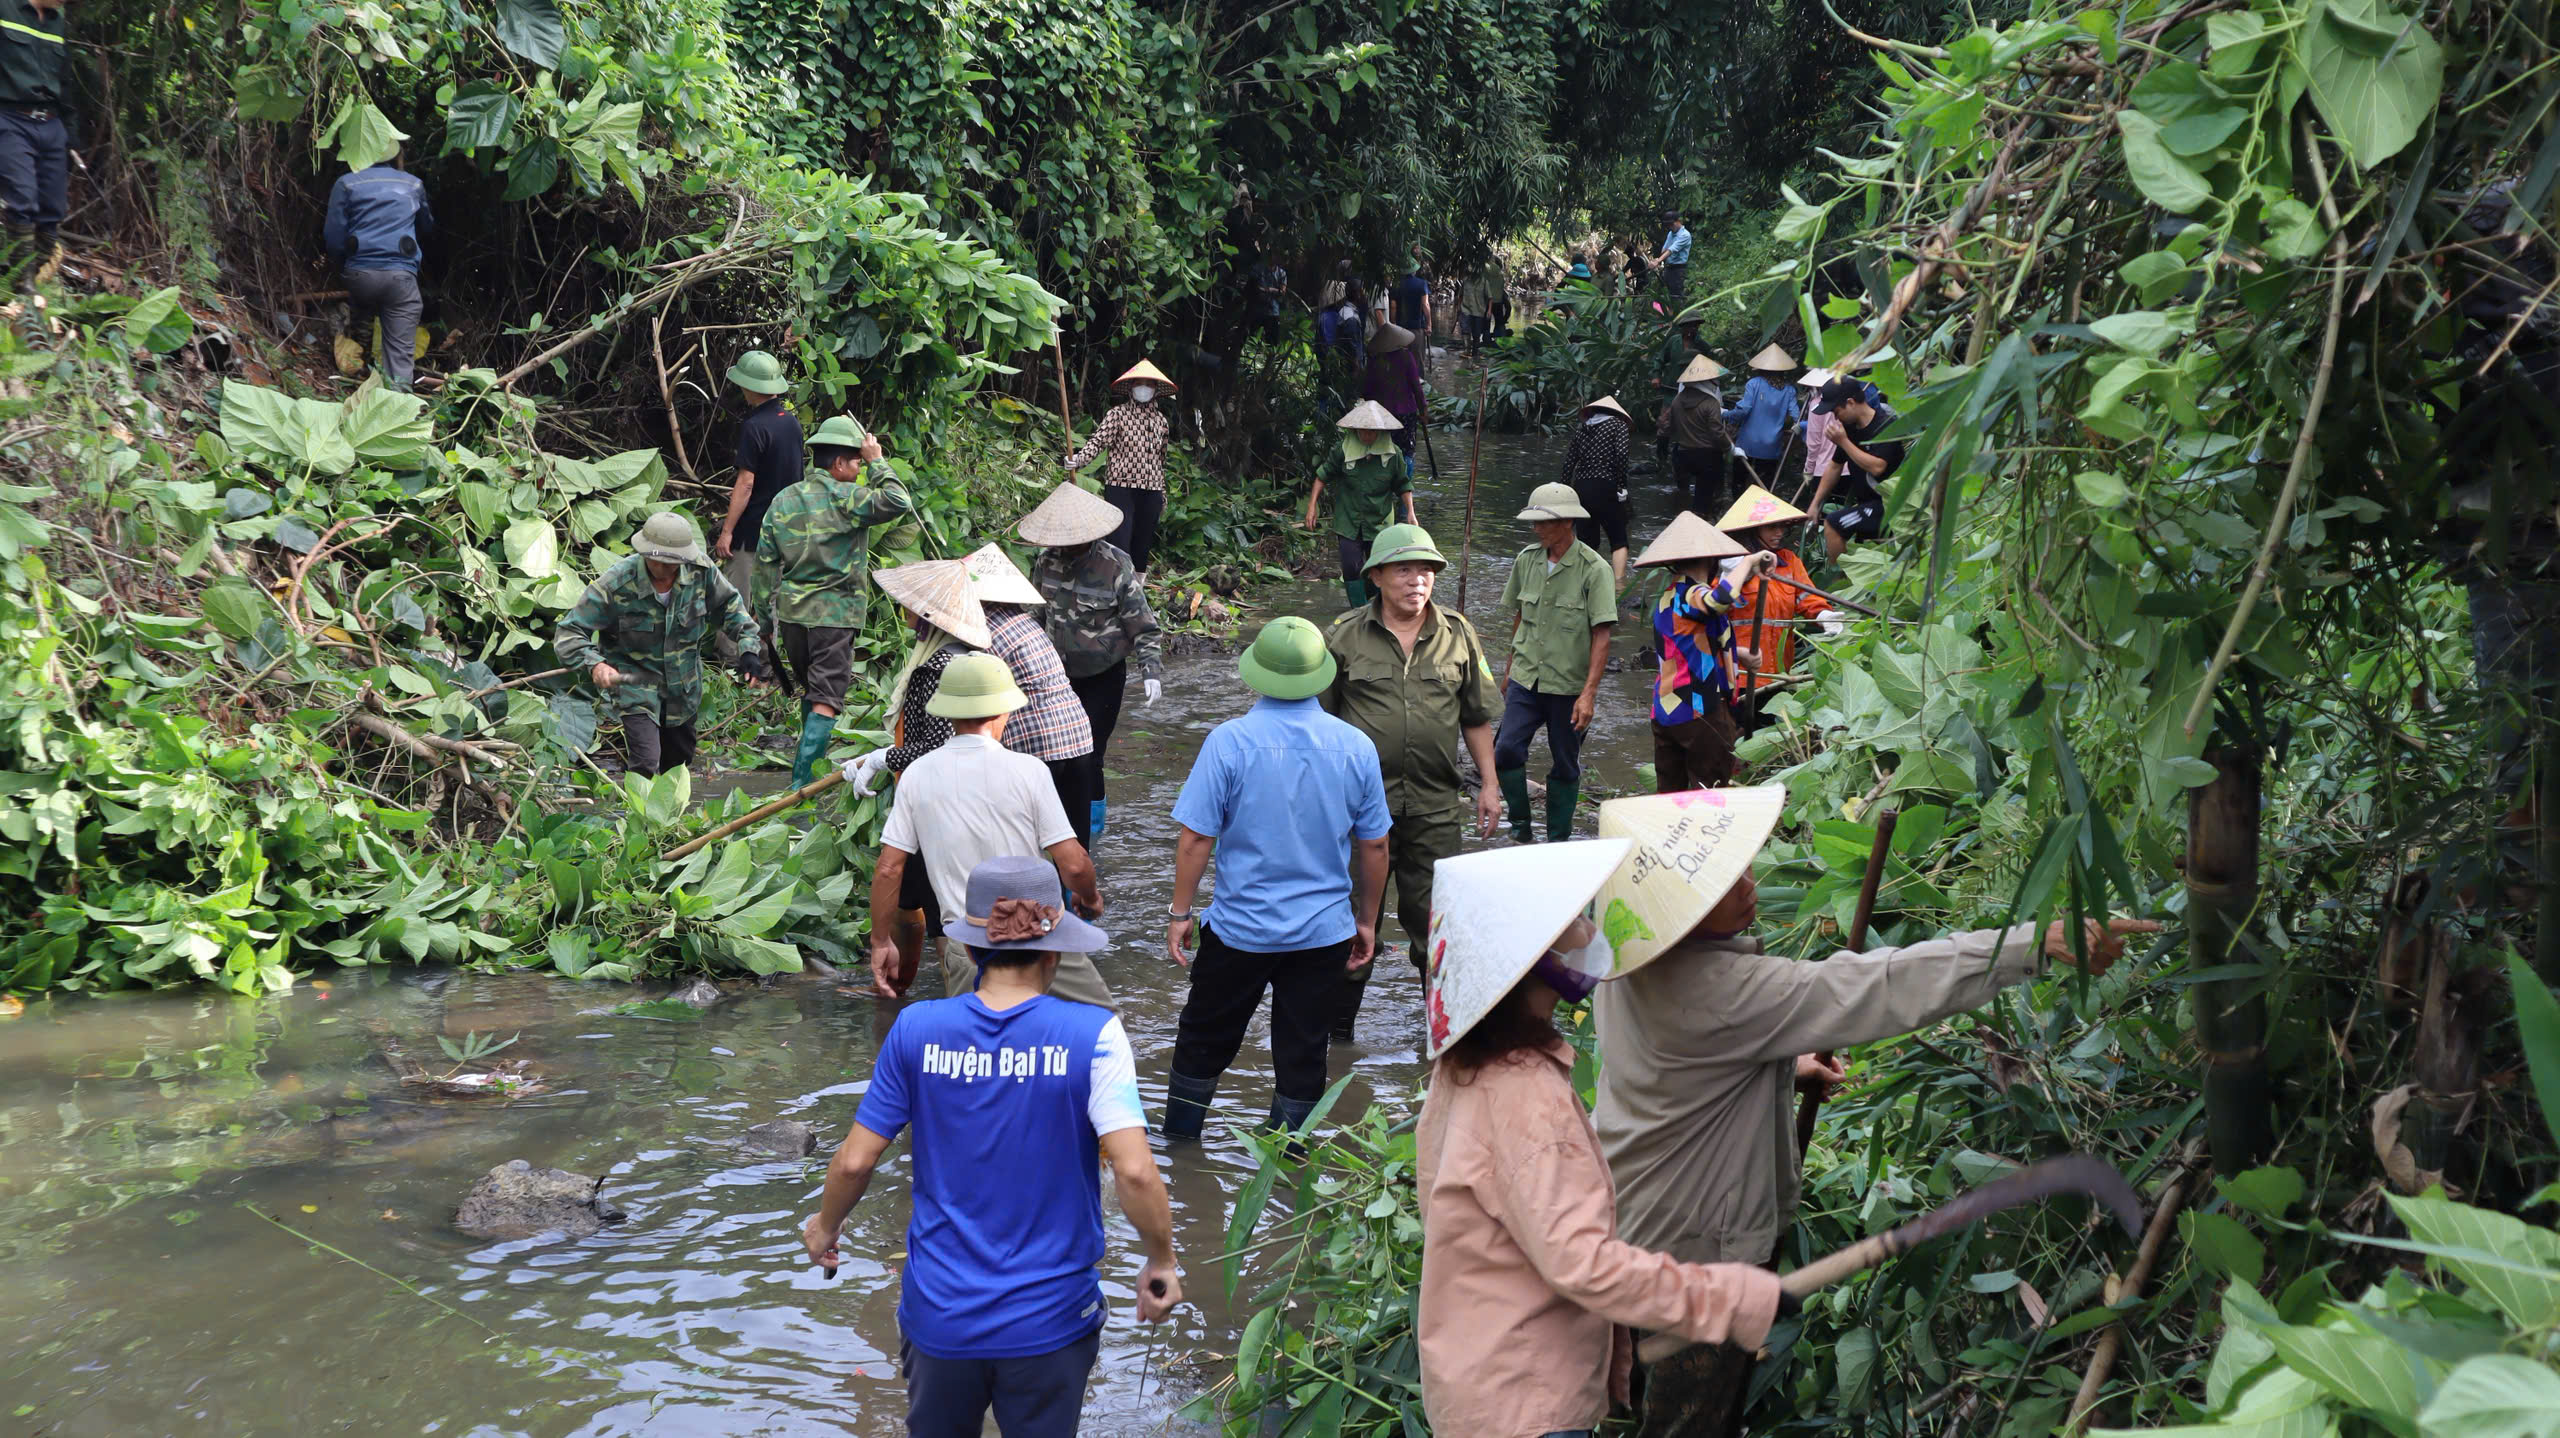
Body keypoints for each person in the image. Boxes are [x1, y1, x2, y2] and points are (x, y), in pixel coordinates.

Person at [1588, 787, 2160, 1438]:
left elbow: (1673, 1064)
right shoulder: (1724, 992)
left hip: (1627, 1214)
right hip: (1696, 1254)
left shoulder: (1624, 952)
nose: (1749, 885)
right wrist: (2035, 943)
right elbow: (1881, 984)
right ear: (1681, 912)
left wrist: (1778, 1067)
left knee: (1628, 1384)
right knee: (1690, 1416)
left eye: (1743, 868)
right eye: (1724, 884)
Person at [1415, 841, 1786, 1438]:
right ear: (1534, 956)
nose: (1592, 929)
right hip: (1529, 1403)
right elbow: (1586, 1265)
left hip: (1474, 1383)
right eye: (1574, 920)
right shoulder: (1528, 1095)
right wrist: (1722, 1294)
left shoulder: (1462, 1069)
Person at [805, 855, 1179, 1438]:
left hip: (941, 1319)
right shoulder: (1096, 1036)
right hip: (1052, 1321)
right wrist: (1160, 1261)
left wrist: (824, 1228)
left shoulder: (915, 1029)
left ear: (969, 949)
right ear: (1055, 952)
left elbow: (855, 1161)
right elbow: (1133, 1173)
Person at [1161, 617, 1391, 1139]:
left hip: (1240, 929)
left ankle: (1180, 1150)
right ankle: (1286, 1163)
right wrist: (1366, 921)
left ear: (1256, 675)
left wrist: (1180, 913)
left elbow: (1196, 839)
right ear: (1322, 675)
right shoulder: (1356, 746)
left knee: (1202, 1039)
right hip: (1322, 933)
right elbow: (1375, 845)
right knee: (1305, 1050)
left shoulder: (1228, 742)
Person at [1320, 523, 1500, 1037]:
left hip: (1435, 807)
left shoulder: (1458, 633)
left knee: (1437, 927)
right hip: (1357, 812)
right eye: (1404, 570)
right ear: (1376, 576)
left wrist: (1489, 785)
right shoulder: (1343, 635)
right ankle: (1337, 1040)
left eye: (1426, 570)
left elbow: (1476, 717)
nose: (1417, 580)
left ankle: (1441, 1038)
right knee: (1351, 924)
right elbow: (1320, 724)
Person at [867, 653, 1110, 1009]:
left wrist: (880, 941)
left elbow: (889, 868)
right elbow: (1073, 864)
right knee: (1099, 1024)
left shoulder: (916, 774)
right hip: (1039, 936)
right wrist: (1089, 897)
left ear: (947, 713)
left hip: (970, 944)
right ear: (1004, 711)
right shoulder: (1029, 770)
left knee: (977, 1039)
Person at [843, 558, 995, 989]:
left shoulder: (936, 667)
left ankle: (931, 990)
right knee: (914, 894)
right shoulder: (969, 657)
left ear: (928, 614)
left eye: (910, 605)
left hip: (938, 802)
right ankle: (896, 984)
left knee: (936, 904)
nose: (904, 610)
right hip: (968, 795)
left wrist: (882, 760)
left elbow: (936, 746)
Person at [756, 414, 914, 785]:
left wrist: (765, 621)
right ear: (839, 463)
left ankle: (805, 770)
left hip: (793, 617)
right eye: (857, 464)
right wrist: (878, 461)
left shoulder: (783, 500)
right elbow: (898, 500)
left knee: (813, 693)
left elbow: (765, 566)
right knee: (826, 698)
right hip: (835, 617)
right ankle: (801, 786)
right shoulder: (848, 497)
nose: (859, 471)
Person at [553, 512, 767, 778]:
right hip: (635, 684)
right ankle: (639, 803)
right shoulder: (616, 584)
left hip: (683, 687)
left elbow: (731, 607)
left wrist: (748, 649)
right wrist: (595, 664)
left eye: (673, 563)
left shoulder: (700, 571)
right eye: (659, 561)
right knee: (646, 762)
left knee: (678, 767)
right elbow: (569, 632)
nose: (666, 569)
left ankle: (666, 807)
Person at [1021, 481, 1163, 844]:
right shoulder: (1046, 562)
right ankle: (1057, 825)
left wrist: (1151, 671)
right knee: (1053, 749)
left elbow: (1143, 625)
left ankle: (1090, 831)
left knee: (1089, 753)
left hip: (1103, 674)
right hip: (1057, 674)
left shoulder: (1115, 565)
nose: (1065, 546)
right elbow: (1035, 616)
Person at [1495, 484, 1615, 844]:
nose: (1536, 529)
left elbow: (1602, 635)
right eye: (1533, 522)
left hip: (1568, 686)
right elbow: (1520, 617)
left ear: (1567, 522)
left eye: (1543, 522)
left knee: (1565, 761)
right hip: (1526, 678)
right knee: (1505, 750)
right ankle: (1520, 829)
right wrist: (1509, 669)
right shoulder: (1526, 560)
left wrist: (1588, 694)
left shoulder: (1595, 570)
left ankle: (1557, 840)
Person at [962, 548, 1101, 853]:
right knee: (1075, 846)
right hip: (1077, 734)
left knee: (1026, 845)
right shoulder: (1025, 622)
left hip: (1035, 743)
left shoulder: (979, 634)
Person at [1629, 514, 1762, 792]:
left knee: (1670, 795)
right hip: (1701, 710)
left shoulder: (1669, 595)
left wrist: (1739, 655)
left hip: (1666, 710)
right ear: (1711, 560)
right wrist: (1748, 562)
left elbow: (1688, 645)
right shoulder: (1693, 593)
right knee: (1710, 795)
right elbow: (1719, 601)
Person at [1714, 486, 1840, 737]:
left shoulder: (1788, 561)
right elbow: (1712, 610)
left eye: (1782, 526)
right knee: (1733, 737)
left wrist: (1823, 615)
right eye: (1772, 527)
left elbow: (1807, 597)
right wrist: (1738, 573)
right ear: (1751, 530)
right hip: (1737, 674)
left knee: (1769, 738)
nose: (1779, 533)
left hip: (1778, 673)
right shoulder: (1728, 566)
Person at [711, 350, 804, 640]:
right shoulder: (791, 423)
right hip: (784, 529)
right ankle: (766, 659)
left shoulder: (754, 427)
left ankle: (732, 658)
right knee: (769, 603)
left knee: (735, 598)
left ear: (750, 387)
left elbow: (746, 484)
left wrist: (727, 531)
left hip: (753, 530)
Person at [323, 150, 434, 391]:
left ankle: (357, 373)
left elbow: (333, 237)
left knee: (362, 312)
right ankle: (397, 400)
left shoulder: (346, 183)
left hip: (359, 275)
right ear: (394, 154)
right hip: (401, 277)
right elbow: (426, 227)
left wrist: (344, 266)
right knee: (400, 353)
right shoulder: (413, 184)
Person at [1063, 360, 1175, 575]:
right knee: (1119, 542)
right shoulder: (1117, 415)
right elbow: (1098, 442)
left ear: (1156, 389)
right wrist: (1078, 460)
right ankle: (1116, 584)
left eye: (1149, 384)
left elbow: (1160, 460)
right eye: (1139, 383)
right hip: (1121, 487)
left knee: (1142, 544)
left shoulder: (1161, 422)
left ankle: (1137, 589)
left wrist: (1162, 493)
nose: (1143, 388)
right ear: (1131, 387)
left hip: (1151, 489)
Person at [1303, 399, 1416, 607]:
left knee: (1378, 569)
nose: (1367, 435)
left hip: (1380, 522)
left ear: (1380, 432)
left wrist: (1410, 512)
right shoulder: (1343, 451)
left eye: (1372, 431)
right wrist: (1312, 507)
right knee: (1351, 567)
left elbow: (1403, 485)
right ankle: (1358, 611)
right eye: (1362, 431)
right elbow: (1322, 476)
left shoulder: (1393, 455)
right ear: (1355, 430)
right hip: (1349, 519)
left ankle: (1375, 607)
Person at [0, 0, 68, 283]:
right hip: (10, 117)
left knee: (53, 207)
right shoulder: (6, 9)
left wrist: (70, 133)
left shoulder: (57, 20)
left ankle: (33, 275)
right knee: (22, 198)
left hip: (51, 123)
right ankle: (23, 286)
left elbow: (65, 79)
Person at [1809, 375, 1908, 561]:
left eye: (1836, 411)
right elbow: (1835, 466)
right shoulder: (1850, 429)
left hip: (1889, 506)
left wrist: (1843, 442)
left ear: (1851, 402)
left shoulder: (1886, 425)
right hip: (1866, 503)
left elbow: (1878, 467)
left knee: (1833, 524)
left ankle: (1840, 573)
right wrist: (1815, 504)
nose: (1835, 417)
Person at [1561, 396, 1634, 585]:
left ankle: (1584, 583)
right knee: (1618, 539)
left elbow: (1569, 462)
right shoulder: (1618, 425)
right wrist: (1622, 487)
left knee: (1587, 542)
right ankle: (1618, 585)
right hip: (1606, 485)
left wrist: (1565, 490)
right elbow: (1622, 455)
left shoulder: (1582, 428)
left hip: (1581, 488)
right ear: (1616, 413)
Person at [1659, 355, 1733, 519]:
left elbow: (1669, 426)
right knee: (1703, 502)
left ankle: (1681, 521)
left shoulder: (1678, 400)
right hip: (1707, 457)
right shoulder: (1711, 402)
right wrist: (1730, 448)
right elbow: (1717, 432)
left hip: (1682, 454)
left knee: (1683, 495)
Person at [1721, 345, 1802, 492]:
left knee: (1738, 483)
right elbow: (1797, 416)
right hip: (1771, 446)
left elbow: (1744, 410)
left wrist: (1725, 414)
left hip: (1748, 443)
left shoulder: (1754, 383)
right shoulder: (1789, 390)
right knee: (1764, 487)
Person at [1360, 321, 1426, 475]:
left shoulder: (1375, 361)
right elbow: (1416, 387)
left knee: (1383, 450)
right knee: (1406, 450)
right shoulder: (1406, 357)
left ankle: (1385, 480)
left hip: (1381, 415)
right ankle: (1405, 481)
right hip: (1406, 413)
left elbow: (1366, 390)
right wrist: (1423, 410)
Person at [1649, 317, 1713, 464]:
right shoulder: (1673, 341)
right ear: (1682, 328)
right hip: (1672, 390)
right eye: (1689, 326)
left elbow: (1711, 367)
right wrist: (1656, 376)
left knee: (1689, 425)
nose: (1692, 329)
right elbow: (1660, 359)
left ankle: (1685, 459)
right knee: (1664, 424)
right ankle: (1661, 459)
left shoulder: (1703, 346)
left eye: (1695, 326)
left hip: (1693, 391)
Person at [1250, 252, 1290, 345]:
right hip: (1257, 309)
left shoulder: (1281, 273)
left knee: (1272, 341)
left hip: (1273, 310)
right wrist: (1270, 290)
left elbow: (1282, 291)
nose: (1275, 258)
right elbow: (1253, 286)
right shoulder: (1258, 269)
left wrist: (1269, 290)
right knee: (1251, 336)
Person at [1391, 249, 1433, 338]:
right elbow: (1425, 304)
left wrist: (1393, 323)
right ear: (1414, 270)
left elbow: (1393, 306)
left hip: (1400, 327)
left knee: (1402, 347)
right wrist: (1429, 325)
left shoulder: (1396, 284)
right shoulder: (1422, 283)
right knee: (1417, 347)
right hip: (1417, 327)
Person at [1655, 209, 1693, 299]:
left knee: (1676, 295)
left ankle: (1679, 307)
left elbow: (1671, 250)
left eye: (1671, 224)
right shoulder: (1671, 234)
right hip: (1668, 268)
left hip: (1678, 270)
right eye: (1668, 225)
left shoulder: (1685, 235)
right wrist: (1656, 261)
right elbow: (1664, 250)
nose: (1670, 227)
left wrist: (1658, 261)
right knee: (1665, 295)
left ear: (1678, 221)